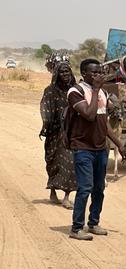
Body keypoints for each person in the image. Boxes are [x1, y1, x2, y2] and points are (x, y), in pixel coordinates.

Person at [67, 59, 126, 240]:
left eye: (100, 72)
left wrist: (119, 143)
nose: (98, 76)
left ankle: (93, 223)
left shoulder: (102, 92)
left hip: (101, 148)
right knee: (85, 188)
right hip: (83, 147)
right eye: (94, 73)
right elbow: (89, 114)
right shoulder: (75, 92)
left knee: (99, 188)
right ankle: (77, 227)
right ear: (84, 73)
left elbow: (103, 121)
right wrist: (94, 90)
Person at [39, 61, 77, 209]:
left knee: (69, 162)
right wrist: (45, 127)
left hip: (70, 133)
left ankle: (67, 197)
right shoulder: (50, 91)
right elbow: (46, 111)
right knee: (52, 162)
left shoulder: (74, 90)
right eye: (62, 72)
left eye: (67, 71)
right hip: (54, 133)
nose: (65, 74)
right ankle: (53, 191)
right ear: (56, 74)